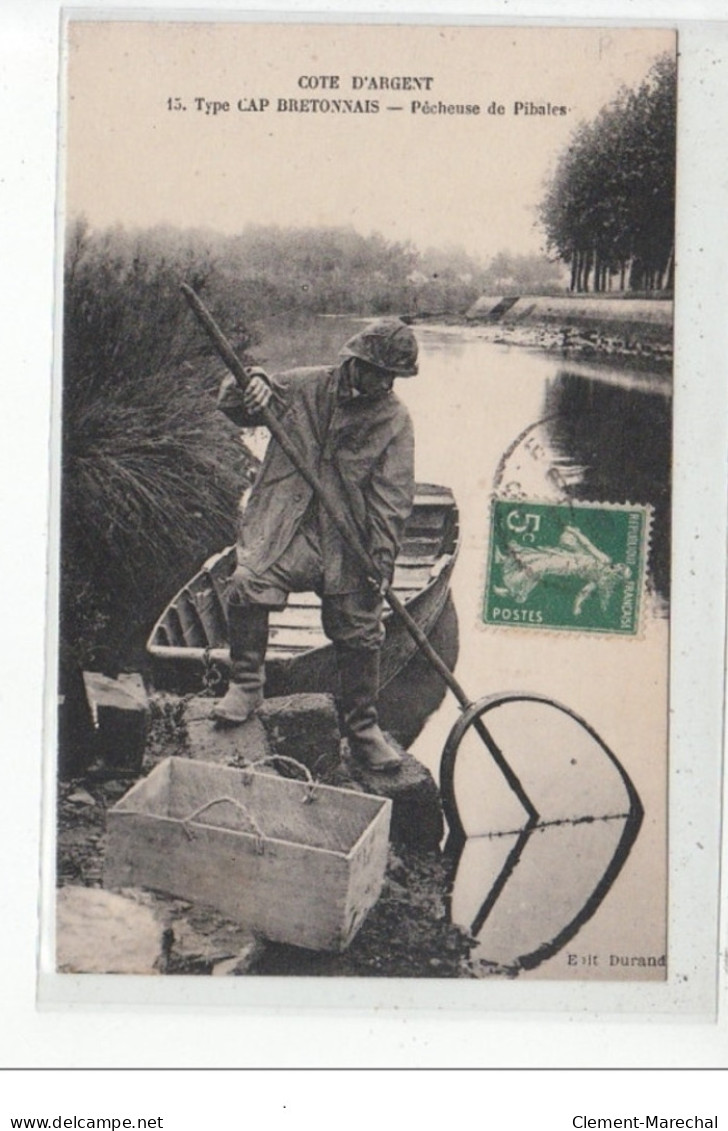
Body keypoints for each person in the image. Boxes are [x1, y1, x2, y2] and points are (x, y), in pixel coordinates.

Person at [212, 318, 419, 772]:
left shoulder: (394, 420)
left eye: (394, 377)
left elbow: (394, 500)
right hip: (286, 529)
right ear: (355, 362)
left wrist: (380, 565)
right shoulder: (304, 386)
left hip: (347, 542)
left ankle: (363, 730)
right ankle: (246, 683)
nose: (385, 384)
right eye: (379, 372)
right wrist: (254, 384)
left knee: (361, 627)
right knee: (248, 579)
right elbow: (236, 400)